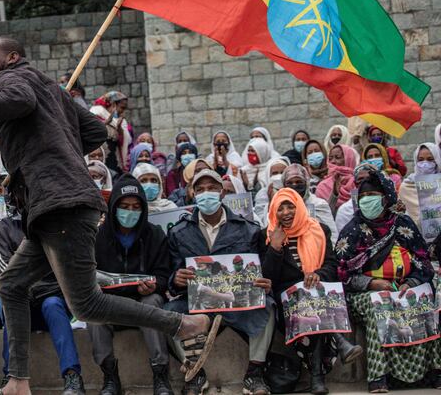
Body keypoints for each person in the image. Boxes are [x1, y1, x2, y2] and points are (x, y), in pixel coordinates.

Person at [0, 37, 221, 392]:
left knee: (86, 304)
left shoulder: (11, 79)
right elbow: (94, 132)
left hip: (61, 205)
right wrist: (51, 146)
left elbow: (19, 100)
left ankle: (182, 324)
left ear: (11, 57)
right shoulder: (50, 90)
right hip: (55, 205)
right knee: (10, 287)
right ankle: (19, 381)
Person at [166, 169, 274, 395]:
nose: (207, 194)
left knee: (268, 306)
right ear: (192, 193)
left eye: (212, 188)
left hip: (236, 303)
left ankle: (254, 374)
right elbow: (172, 275)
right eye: (201, 189)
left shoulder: (248, 229)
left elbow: (257, 271)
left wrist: (264, 282)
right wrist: (176, 280)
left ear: (222, 192)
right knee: (167, 315)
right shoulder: (178, 232)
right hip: (197, 304)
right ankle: (195, 373)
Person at [335, 170, 441, 393]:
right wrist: (370, 283)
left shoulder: (402, 224)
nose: (367, 201)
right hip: (363, 295)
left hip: (402, 288)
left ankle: (433, 371)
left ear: (387, 197)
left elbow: (423, 261)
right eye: (363, 197)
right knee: (379, 305)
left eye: (373, 195)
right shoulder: (353, 230)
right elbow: (340, 274)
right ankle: (379, 377)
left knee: (423, 300)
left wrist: (410, 283)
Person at [262, 188, 361, 395]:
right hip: (286, 296)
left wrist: (318, 274)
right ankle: (339, 343)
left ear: (300, 206)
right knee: (308, 302)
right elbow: (269, 277)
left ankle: (317, 378)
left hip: (316, 290)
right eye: (281, 208)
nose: (287, 212)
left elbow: (332, 265)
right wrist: (276, 247)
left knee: (313, 304)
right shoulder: (266, 235)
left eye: (291, 206)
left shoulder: (319, 230)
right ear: (273, 211)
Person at [0, 196, 86, 395]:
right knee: (14, 307)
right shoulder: (2, 229)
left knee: (52, 304)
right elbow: (7, 274)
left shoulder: (54, 226)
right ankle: (10, 378)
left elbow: (64, 268)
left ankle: (73, 378)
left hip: (52, 299)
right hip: (22, 300)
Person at [91, 175, 174, 395]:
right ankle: (109, 377)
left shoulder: (154, 234)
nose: (130, 212)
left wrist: (153, 286)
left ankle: (161, 376)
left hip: (142, 300)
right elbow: (88, 275)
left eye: (136, 207)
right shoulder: (98, 237)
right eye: (124, 206)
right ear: (114, 207)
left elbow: (164, 275)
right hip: (110, 303)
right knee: (91, 313)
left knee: (153, 301)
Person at [398, 142, 441, 224]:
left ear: (437, 160)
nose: (425, 163)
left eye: (430, 159)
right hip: (415, 233)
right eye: (420, 160)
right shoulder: (407, 186)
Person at [90, 91, 132, 175]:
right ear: (112, 104)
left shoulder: (120, 122)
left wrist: (119, 128)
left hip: (114, 162)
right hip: (99, 160)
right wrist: (106, 122)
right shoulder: (94, 115)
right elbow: (90, 133)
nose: (122, 112)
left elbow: (121, 142)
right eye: (122, 108)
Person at [315, 145, 358, 215]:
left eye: (338, 157)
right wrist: (334, 194)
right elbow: (323, 214)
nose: (333, 161)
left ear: (349, 159)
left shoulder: (357, 182)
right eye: (330, 158)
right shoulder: (323, 186)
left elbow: (357, 209)